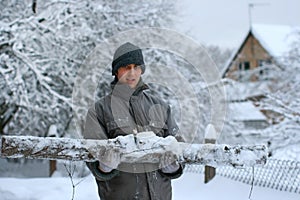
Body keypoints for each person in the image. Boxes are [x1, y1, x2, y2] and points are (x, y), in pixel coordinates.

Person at [83, 42, 184, 200]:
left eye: (136, 67)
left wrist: (174, 166)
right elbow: (91, 155)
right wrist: (104, 166)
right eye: (126, 67)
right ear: (116, 71)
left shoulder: (160, 106)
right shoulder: (99, 111)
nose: (132, 72)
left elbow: (179, 145)